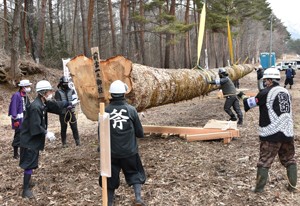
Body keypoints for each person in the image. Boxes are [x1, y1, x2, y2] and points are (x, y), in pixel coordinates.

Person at [238, 67, 297, 193]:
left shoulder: (265, 93)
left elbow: (250, 103)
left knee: (264, 161)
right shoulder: (286, 92)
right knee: (290, 159)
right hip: (287, 132)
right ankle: (292, 187)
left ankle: (259, 189)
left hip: (272, 134)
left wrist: (242, 96)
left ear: (270, 80)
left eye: (266, 80)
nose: (265, 82)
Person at [19, 80, 71, 198]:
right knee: (29, 163)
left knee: (32, 162)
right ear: (43, 93)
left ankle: (28, 181)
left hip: (32, 140)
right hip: (28, 140)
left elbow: (54, 105)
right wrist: (46, 132)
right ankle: (25, 190)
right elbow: (35, 125)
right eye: (49, 91)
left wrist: (67, 103)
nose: (51, 93)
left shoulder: (43, 103)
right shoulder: (35, 107)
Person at [99, 80, 146, 206]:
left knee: (110, 177)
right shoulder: (131, 110)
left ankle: (109, 202)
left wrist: (101, 148)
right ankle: (138, 198)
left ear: (112, 95)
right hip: (129, 151)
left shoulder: (105, 111)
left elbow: (101, 134)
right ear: (123, 94)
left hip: (111, 153)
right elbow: (140, 133)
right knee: (134, 172)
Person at [8, 79, 32, 159]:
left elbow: (28, 106)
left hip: (25, 119)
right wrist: (14, 119)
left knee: (25, 135)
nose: (29, 88)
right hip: (19, 119)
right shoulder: (16, 95)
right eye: (27, 86)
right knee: (18, 135)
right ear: (23, 87)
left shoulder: (25, 96)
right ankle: (15, 153)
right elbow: (13, 107)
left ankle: (24, 151)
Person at [54, 76, 80, 147]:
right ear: (61, 83)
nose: (65, 84)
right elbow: (58, 103)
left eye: (66, 83)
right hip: (63, 113)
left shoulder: (72, 90)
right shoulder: (58, 92)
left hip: (71, 112)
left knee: (74, 127)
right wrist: (65, 105)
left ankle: (78, 142)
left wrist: (71, 104)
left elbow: (75, 99)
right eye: (64, 83)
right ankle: (64, 143)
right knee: (63, 128)